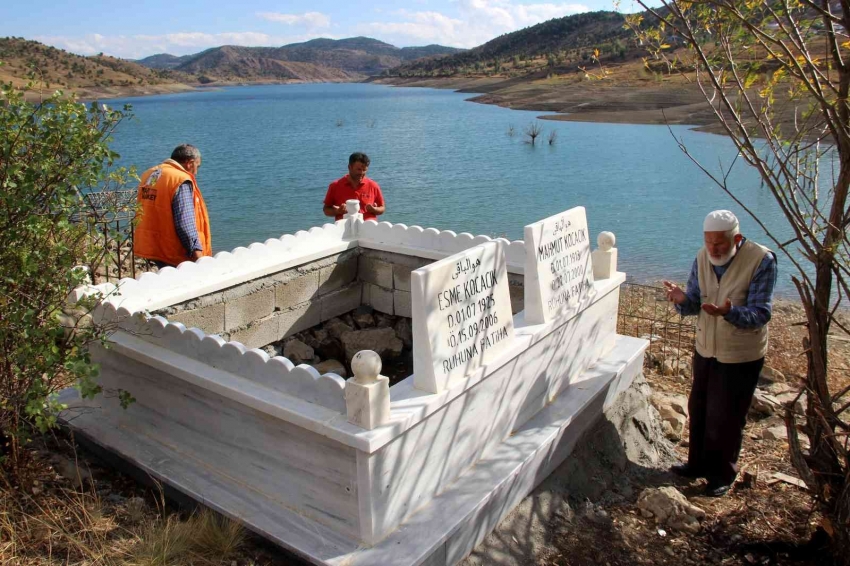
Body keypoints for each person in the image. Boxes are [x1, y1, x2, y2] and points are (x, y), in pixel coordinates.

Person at [663, 210, 777, 497]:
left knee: (726, 416)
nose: (713, 249)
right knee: (699, 408)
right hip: (706, 348)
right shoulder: (702, 257)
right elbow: (693, 303)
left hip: (741, 354)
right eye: (708, 242)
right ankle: (697, 465)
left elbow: (761, 313)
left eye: (719, 244)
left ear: (736, 238)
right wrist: (681, 300)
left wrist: (730, 312)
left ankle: (722, 475)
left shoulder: (761, 260)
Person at [133, 144, 212, 268]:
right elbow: (185, 224)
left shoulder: (149, 174)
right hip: (175, 253)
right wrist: (198, 257)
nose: (196, 172)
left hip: (152, 247)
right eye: (197, 166)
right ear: (190, 163)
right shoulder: (180, 180)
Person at [323, 152, 385, 221]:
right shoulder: (335, 186)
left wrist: (374, 209)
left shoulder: (373, 185)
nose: (361, 173)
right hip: (345, 229)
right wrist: (337, 211)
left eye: (364, 170)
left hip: (369, 229)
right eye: (358, 169)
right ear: (349, 167)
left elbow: (382, 208)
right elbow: (326, 210)